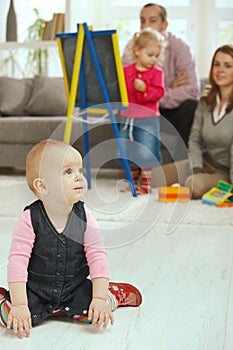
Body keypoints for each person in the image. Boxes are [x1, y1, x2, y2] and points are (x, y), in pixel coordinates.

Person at [0, 139, 142, 339]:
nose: (79, 178)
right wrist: (21, 305)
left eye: (80, 171)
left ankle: (111, 293)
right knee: (12, 320)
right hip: (37, 290)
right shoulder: (30, 219)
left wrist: (99, 298)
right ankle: (4, 299)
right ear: (42, 186)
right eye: (68, 172)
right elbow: (17, 261)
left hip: (75, 288)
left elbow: (97, 256)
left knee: (96, 314)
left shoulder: (85, 217)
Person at [122, 3, 200, 148]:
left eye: (152, 20)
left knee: (191, 106)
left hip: (169, 112)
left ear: (165, 24)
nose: (146, 26)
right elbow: (125, 90)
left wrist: (156, 94)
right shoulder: (132, 48)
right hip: (140, 109)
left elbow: (192, 90)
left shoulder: (181, 47)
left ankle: (179, 164)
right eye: (142, 21)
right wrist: (169, 88)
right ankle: (132, 163)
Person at [119, 27, 166, 194]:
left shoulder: (157, 73)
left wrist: (145, 89)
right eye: (150, 55)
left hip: (148, 118)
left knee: (146, 150)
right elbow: (120, 91)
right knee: (128, 151)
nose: (154, 59)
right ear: (137, 51)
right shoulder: (126, 71)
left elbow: (159, 93)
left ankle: (145, 185)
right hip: (127, 118)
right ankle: (132, 183)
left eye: (156, 56)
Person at [184, 44, 233, 198]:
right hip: (204, 163)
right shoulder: (205, 101)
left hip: (225, 172)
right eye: (216, 64)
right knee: (156, 177)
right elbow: (194, 138)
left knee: (193, 185)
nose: (220, 70)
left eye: (227, 66)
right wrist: (197, 168)